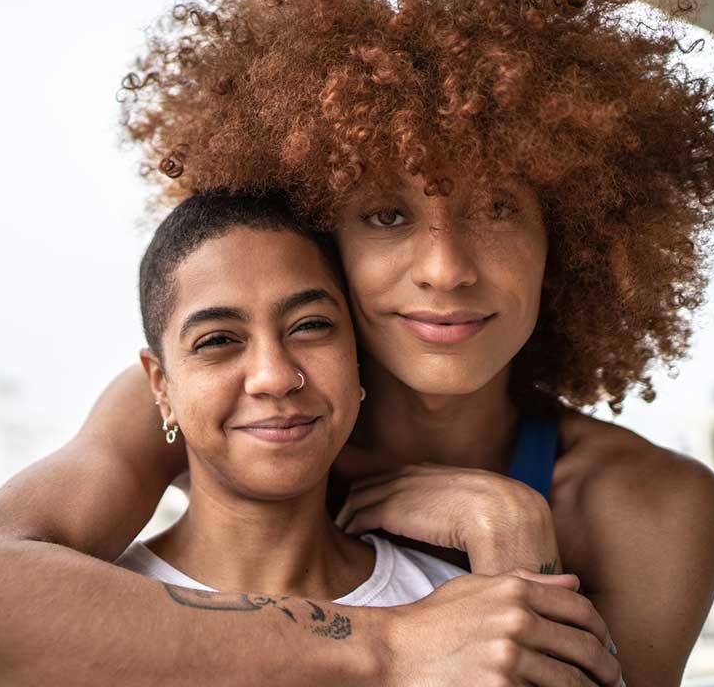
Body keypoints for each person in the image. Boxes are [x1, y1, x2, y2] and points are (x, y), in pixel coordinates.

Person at [0, 0, 714, 686]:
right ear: (321, 241)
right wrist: (387, 640)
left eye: (497, 208)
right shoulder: (240, 406)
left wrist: (513, 539)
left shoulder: (646, 506)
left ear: (573, 235)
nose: (446, 267)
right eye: (384, 214)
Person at [118, 188, 468, 620]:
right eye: (218, 340)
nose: (276, 377)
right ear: (161, 385)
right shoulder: (86, 616)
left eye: (310, 326)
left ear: (357, 353)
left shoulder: (455, 607)